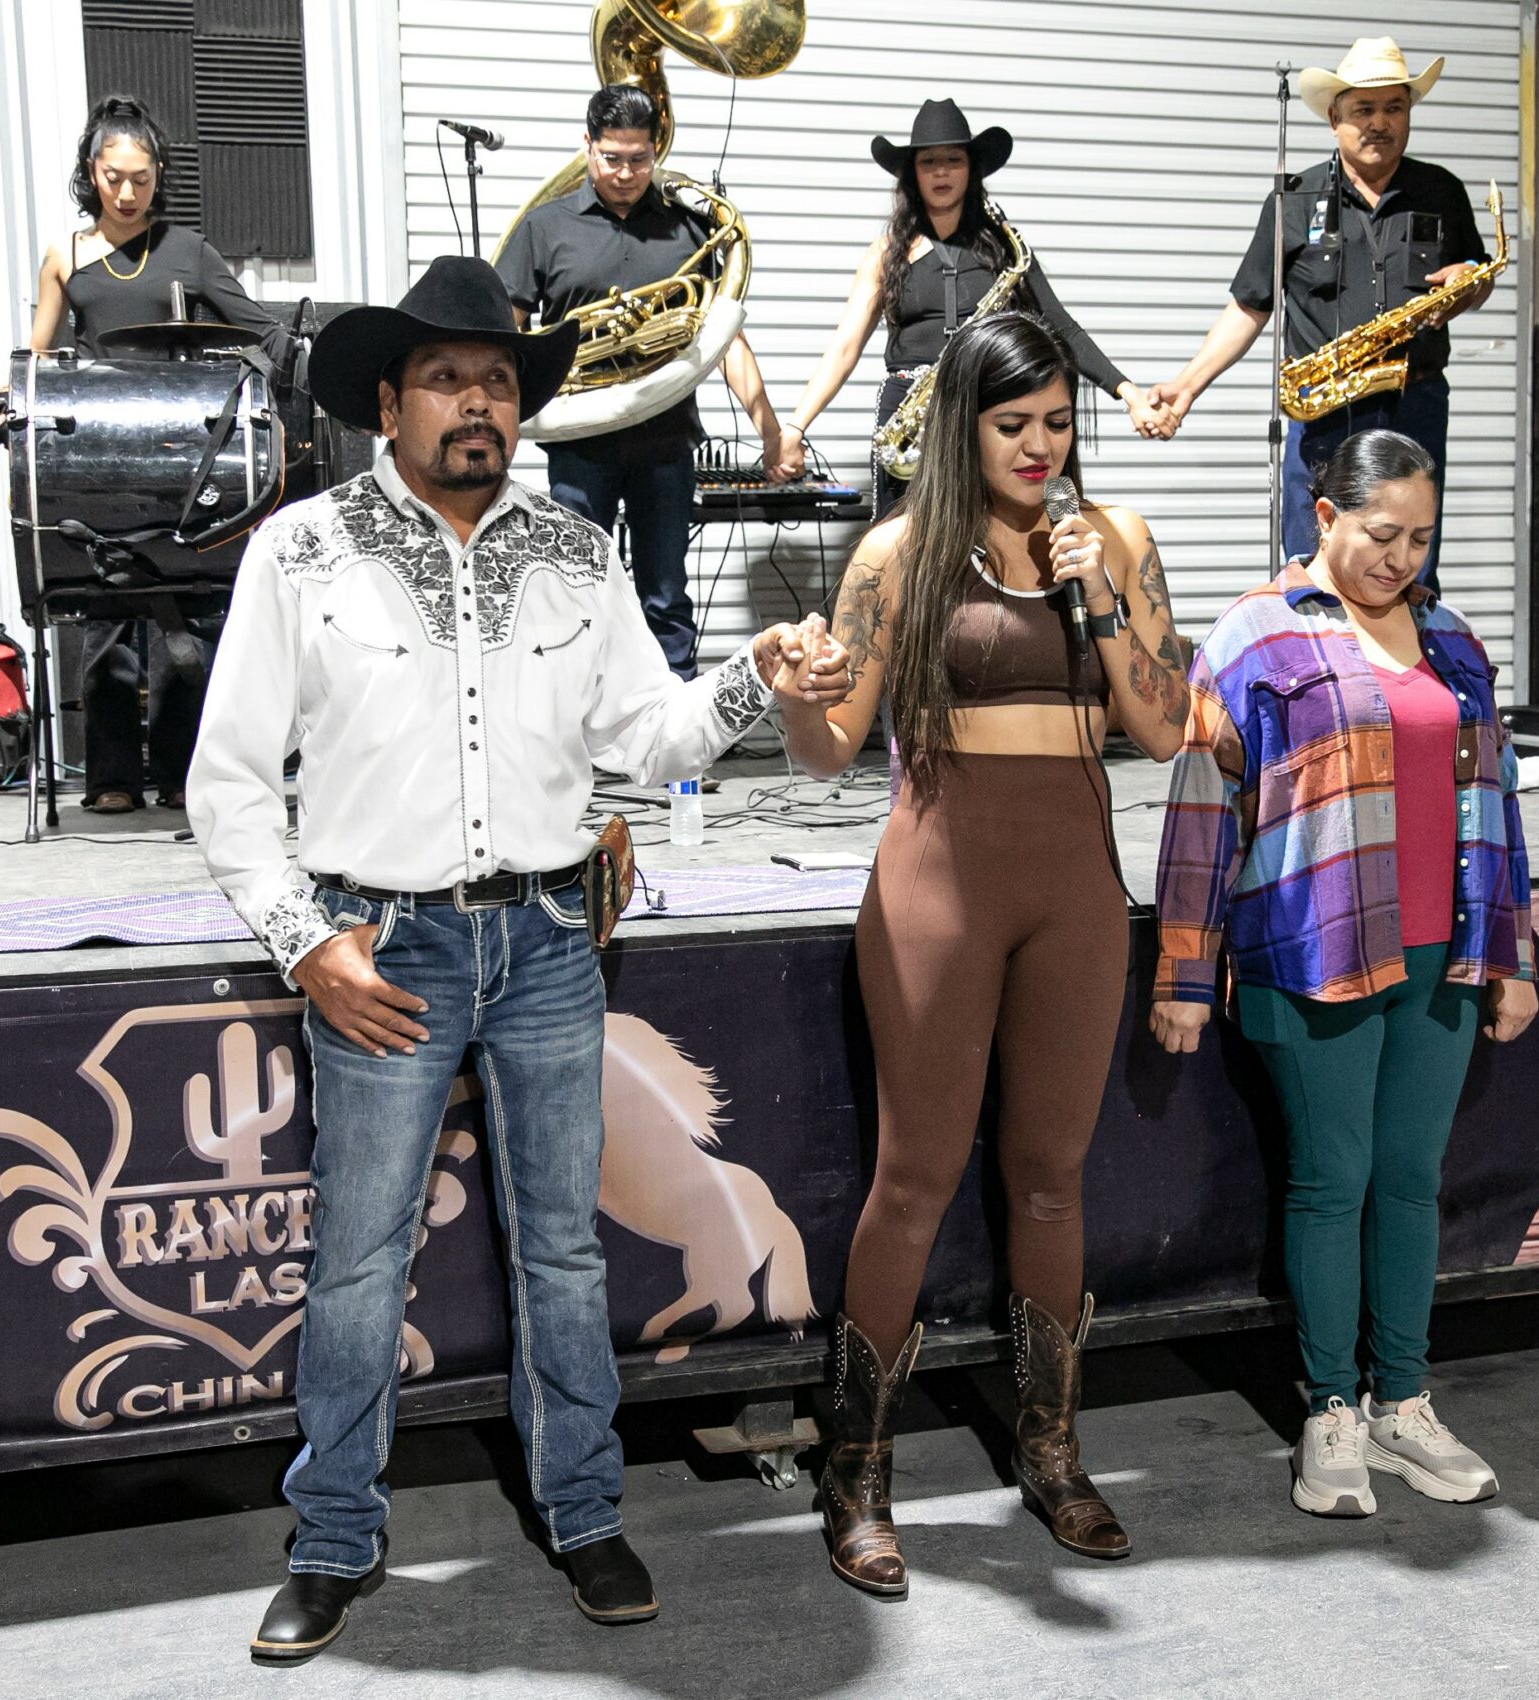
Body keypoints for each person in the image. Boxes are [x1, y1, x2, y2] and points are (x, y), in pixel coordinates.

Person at [187, 255, 849, 1663]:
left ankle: (585, 1511)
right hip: (383, 947)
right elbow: (227, 781)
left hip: (550, 939)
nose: (476, 404)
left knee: (561, 1249)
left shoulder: (575, 550)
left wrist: (754, 675)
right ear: (389, 402)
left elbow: (652, 739)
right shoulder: (301, 550)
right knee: (359, 1258)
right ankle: (333, 1537)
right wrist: (306, 945)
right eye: (445, 379)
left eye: (496, 381)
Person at [781, 311, 1190, 1595]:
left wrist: (1103, 595)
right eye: (1014, 424)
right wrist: (796, 692)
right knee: (914, 1176)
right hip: (939, 886)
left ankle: (1051, 1449)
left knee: (1053, 1175)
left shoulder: (1113, 538)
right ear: (963, 424)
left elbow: (1166, 725)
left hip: (1075, 888)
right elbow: (826, 749)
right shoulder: (898, 553)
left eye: (1058, 422)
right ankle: (856, 1469)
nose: (1039, 446)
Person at [1147, 429, 1538, 1519]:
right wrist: (1184, 970)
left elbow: (1498, 803)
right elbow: (1200, 811)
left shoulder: (1452, 639)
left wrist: (1511, 954)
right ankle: (1330, 1408)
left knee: (1411, 1177)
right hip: (1312, 947)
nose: (1400, 556)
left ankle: (1401, 1400)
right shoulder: (1253, 635)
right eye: (1380, 532)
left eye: (1420, 537)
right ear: (1325, 516)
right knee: (1334, 1177)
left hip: (1441, 953)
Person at [1145, 38, 1494, 594]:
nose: (1379, 123)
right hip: (1323, 408)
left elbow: (1475, 275)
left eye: (1394, 107)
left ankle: (1407, 647)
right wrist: (1186, 387)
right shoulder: (1294, 198)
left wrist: (1470, 282)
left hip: (1415, 404)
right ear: (1334, 119)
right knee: (1311, 562)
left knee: (1411, 570)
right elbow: (1250, 305)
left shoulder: (1442, 191)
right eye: (1363, 109)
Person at [29, 95, 288, 815]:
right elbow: (38, 358)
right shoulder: (65, 255)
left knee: (186, 610)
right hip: (98, 454)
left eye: (140, 179)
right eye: (114, 177)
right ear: (92, 172)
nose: (127, 192)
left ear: (159, 175)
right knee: (105, 610)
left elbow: (259, 328)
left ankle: (180, 771)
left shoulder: (188, 251)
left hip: (181, 451)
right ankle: (111, 775)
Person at [494, 82, 802, 678]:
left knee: (666, 595)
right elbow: (508, 337)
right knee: (577, 592)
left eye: (639, 159)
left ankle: (677, 720)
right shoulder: (544, 226)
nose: (626, 173)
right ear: (587, 145)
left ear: (656, 150)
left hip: (666, 441)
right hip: (579, 443)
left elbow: (725, 339)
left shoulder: (690, 228)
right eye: (612, 158)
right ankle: (578, 722)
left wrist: (770, 430)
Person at [785, 99, 1169, 520]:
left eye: (954, 160)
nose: (942, 172)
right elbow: (844, 347)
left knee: (988, 528)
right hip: (909, 416)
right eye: (929, 162)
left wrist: (1129, 393)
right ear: (913, 173)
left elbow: (1063, 327)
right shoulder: (886, 253)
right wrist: (795, 427)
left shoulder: (1006, 248)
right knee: (898, 535)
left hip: (982, 402)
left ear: (971, 170)